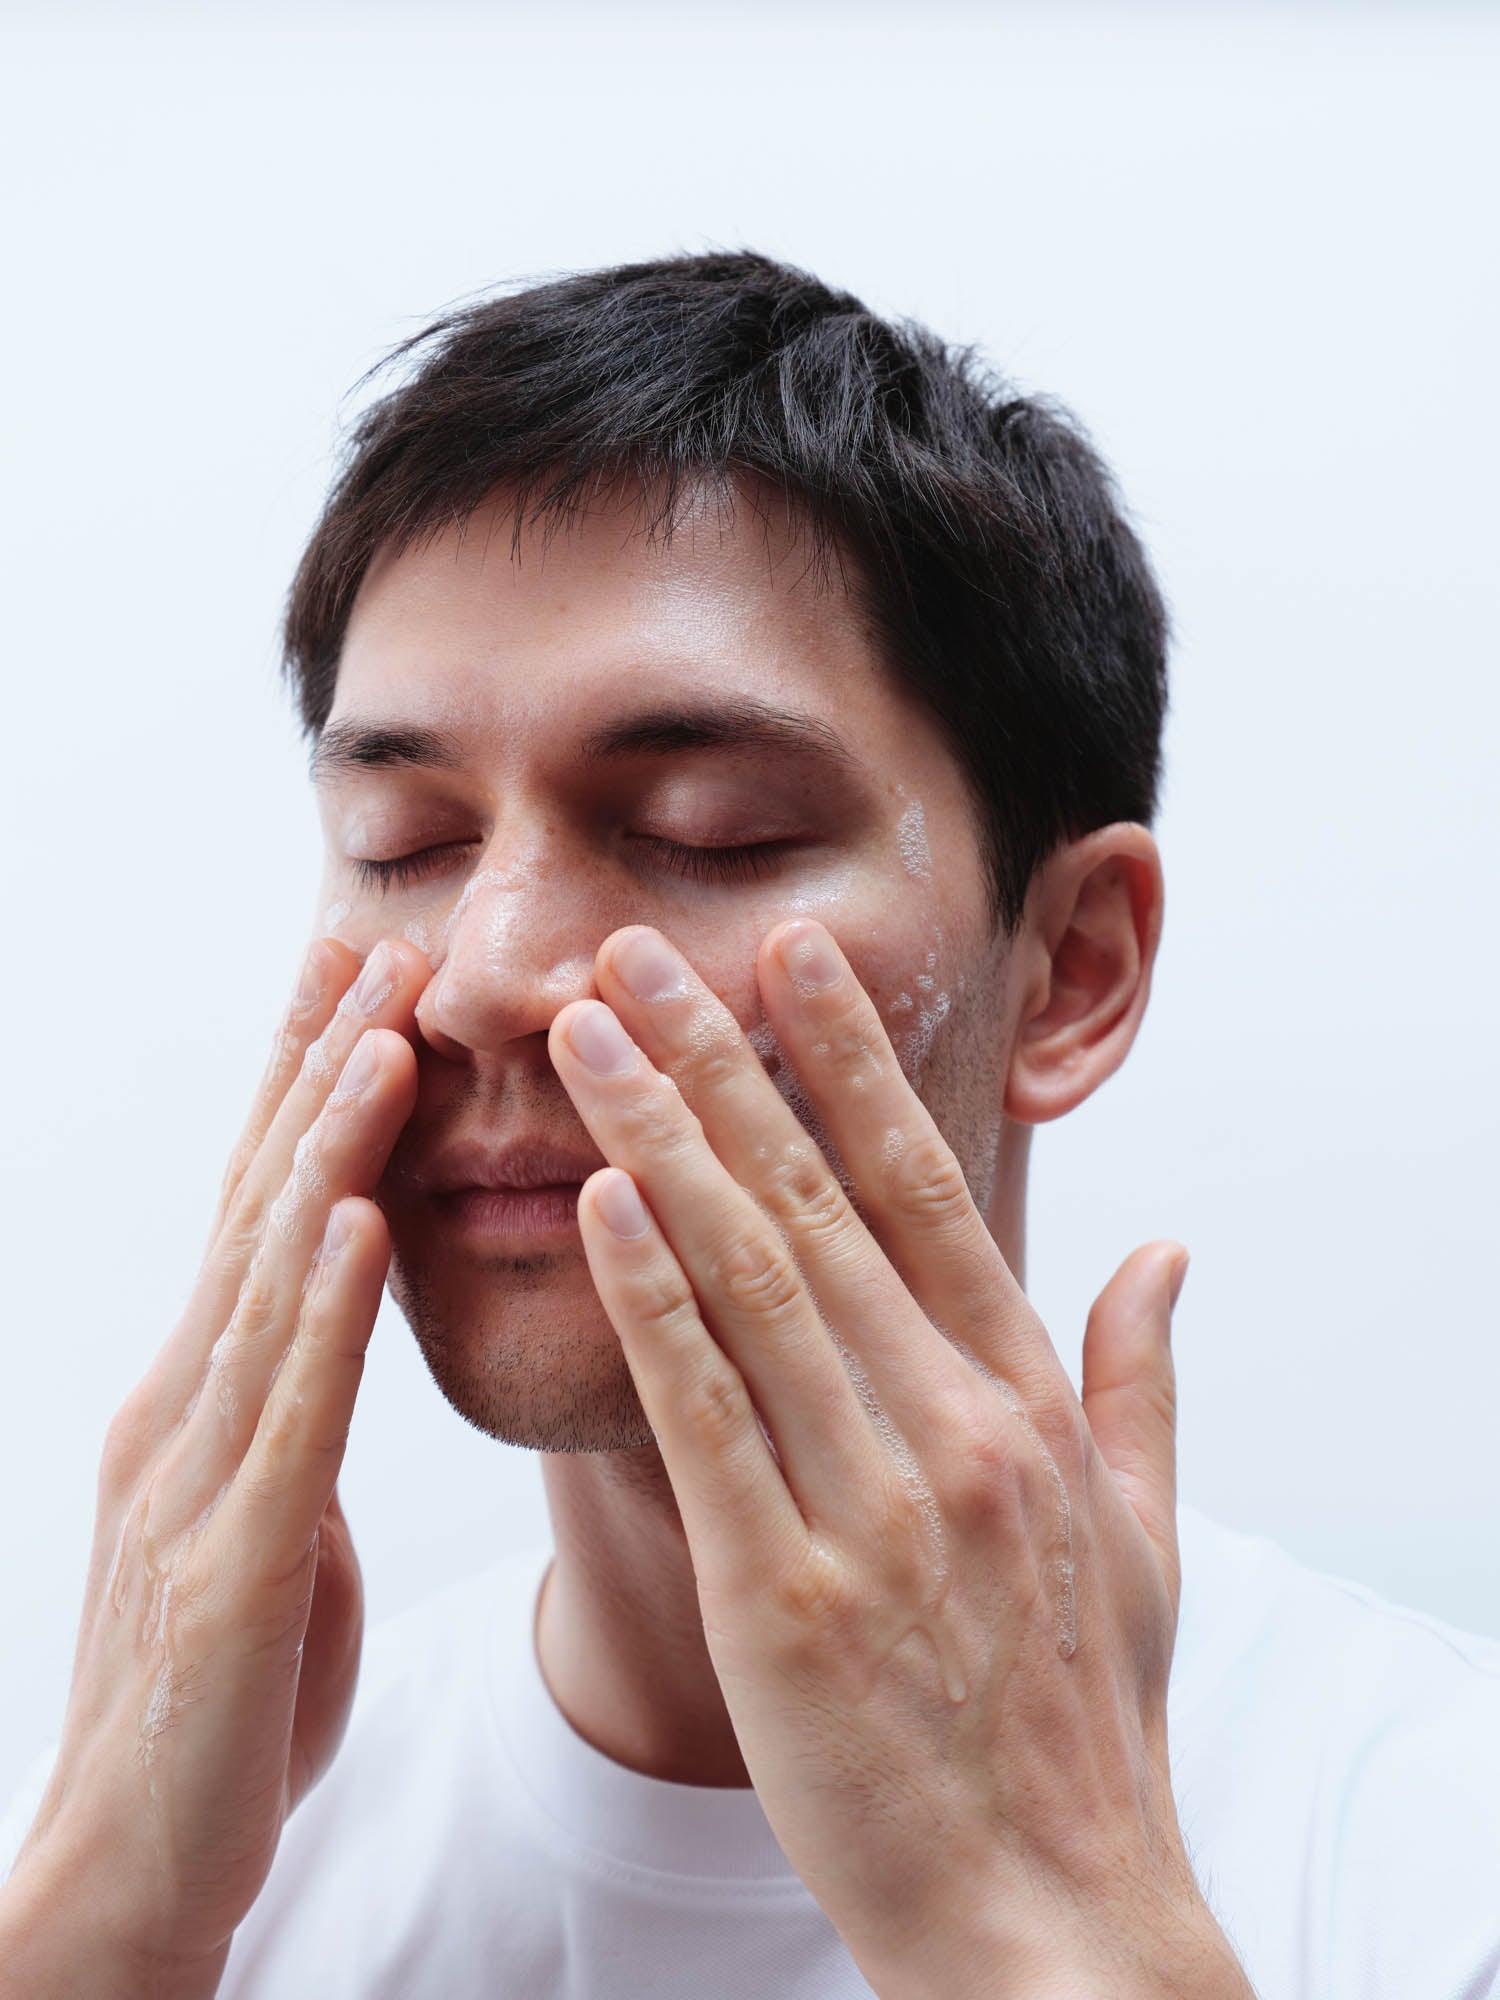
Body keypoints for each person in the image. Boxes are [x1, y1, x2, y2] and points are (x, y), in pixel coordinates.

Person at [2, 250, 1497, 2000]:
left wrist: (1059, 1933)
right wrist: (96, 1927)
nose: (490, 971)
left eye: (707, 831)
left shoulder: (1424, 1853)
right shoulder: (216, 1874)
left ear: (1072, 968)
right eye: (405, 843)